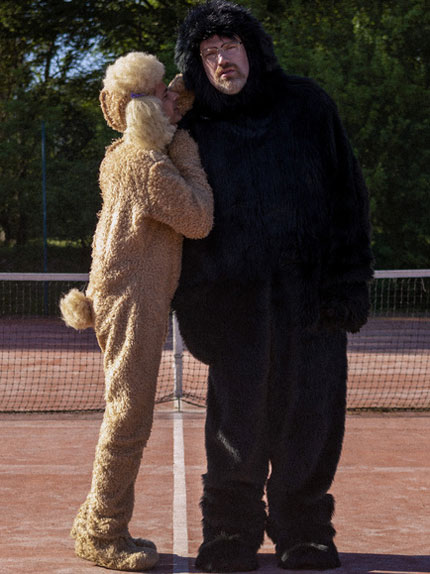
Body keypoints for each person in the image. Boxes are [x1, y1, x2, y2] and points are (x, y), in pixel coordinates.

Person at [171, 1, 373, 571]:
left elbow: (349, 197)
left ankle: (304, 531)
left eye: (230, 46)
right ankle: (229, 533)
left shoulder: (307, 105)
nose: (221, 60)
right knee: (234, 429)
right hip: (232, 307)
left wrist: (347, 286)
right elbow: (174, 221)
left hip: (311, 302)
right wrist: (195, 305)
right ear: (197, 64)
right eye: (208, 52)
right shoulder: (192, 127)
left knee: (310, 421)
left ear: (253, 49)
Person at [60, 51, 213, 571]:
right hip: (132, 300)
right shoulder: (147, 165)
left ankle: (95, 521)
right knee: (128, 416)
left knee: (125, 412)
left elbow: (172, 103)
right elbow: (198, 219)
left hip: (119, 294)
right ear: (145, 110)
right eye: (162, 95)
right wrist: (185, 149)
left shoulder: (121, 153)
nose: (174, 99)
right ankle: (102, 532)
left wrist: (177, 97)